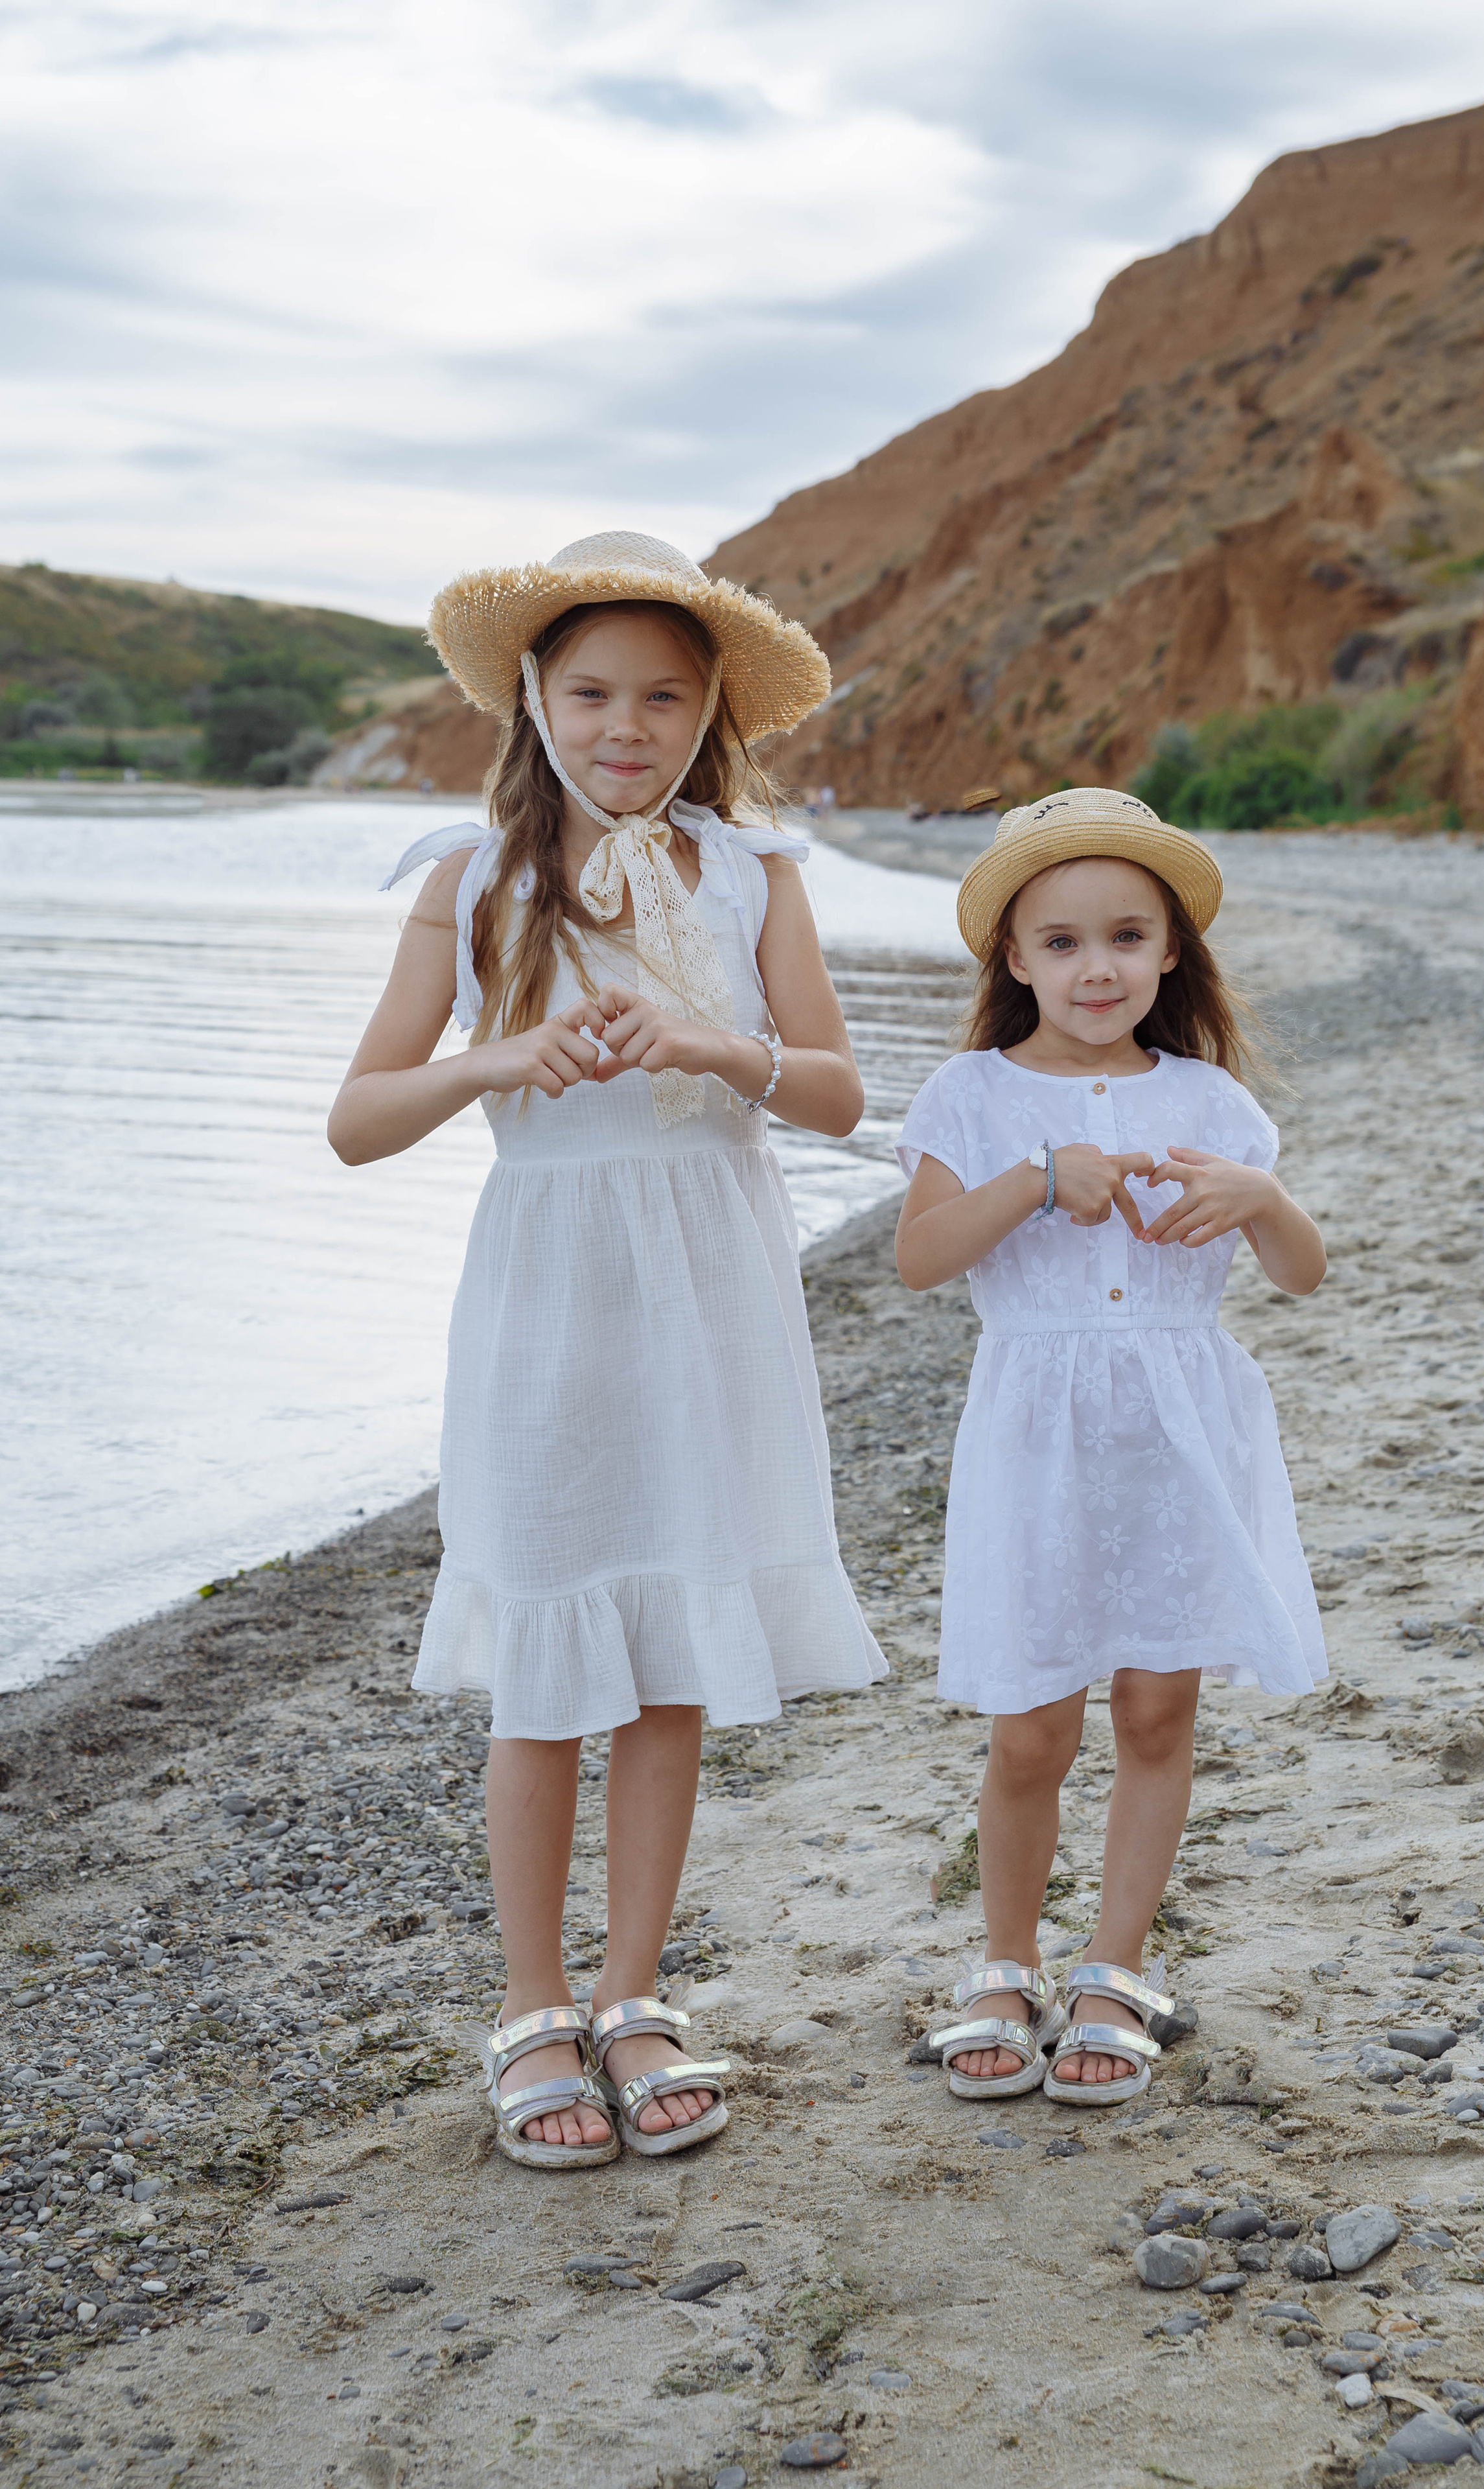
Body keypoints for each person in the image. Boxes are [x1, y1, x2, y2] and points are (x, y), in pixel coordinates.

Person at [329, 533, 885, 2167]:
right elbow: (359, 1121)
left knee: (669, 1668)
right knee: (549, 1659)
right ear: (531, 696)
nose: (624, 724)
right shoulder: (471, 879)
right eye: (589, 692)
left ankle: (634, 1995)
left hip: (712, 1281)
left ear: (711, 707)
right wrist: (503, 1053)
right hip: (551, 1289)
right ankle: (528, 2005)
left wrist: (716, 1040)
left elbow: (841, 1095)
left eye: (661, 694)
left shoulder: (751, 873)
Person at [894, 787, 1326, 2107]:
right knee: (1031, 1724)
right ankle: (1005, 1960)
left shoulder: (1208, 1100)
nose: (1097, 967)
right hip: (1036, 1436)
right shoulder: (970, 1095)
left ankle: (1110, 1965)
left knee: (1153, 1707)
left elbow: (1300, 1276)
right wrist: (1031, 1178)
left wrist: (1262, 1199)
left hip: (1177, 1440)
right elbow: (917, 1261)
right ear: (1014, 959)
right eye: (1064, 942)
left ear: (1168, 956)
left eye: (1126, 938)